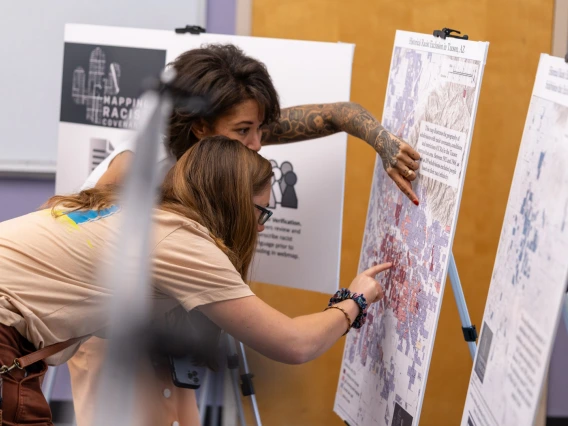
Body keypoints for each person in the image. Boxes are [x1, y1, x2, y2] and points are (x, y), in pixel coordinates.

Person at [70, 43, 420, 425]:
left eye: (260, 129)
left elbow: (336, 114)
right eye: (243, 131)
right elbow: (75, 235)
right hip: (107, 325)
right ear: (200, 127)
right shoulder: (139, 167)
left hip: (166, 322)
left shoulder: (230, 140)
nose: (256, 144)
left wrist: (385, 144)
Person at [0, 136, 391, 426]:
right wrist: (353, 300)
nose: (260, 225)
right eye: (261, 211)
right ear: (234, 203)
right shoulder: (181, 240)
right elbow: (294, 343)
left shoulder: (135, 207)